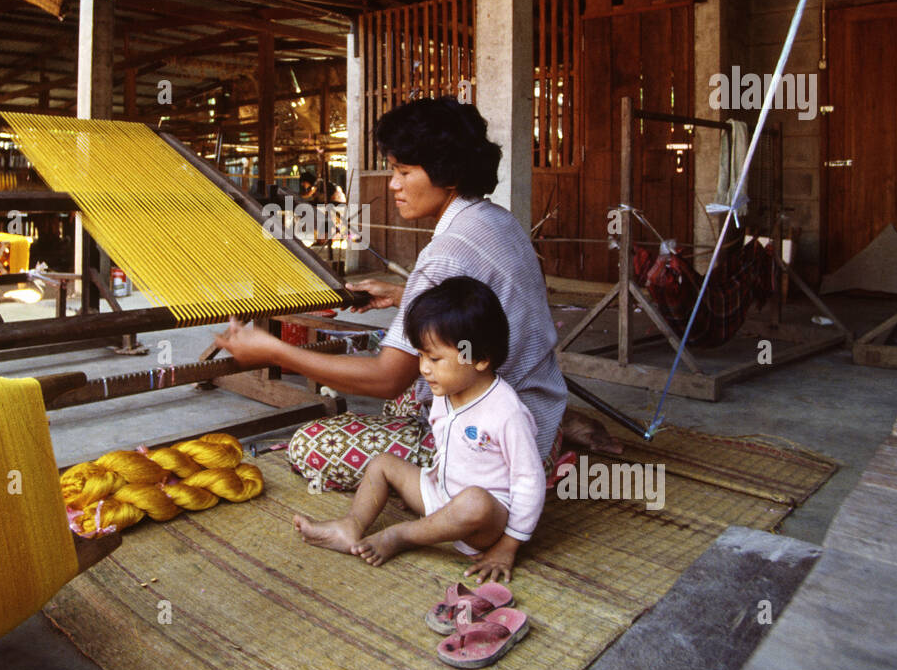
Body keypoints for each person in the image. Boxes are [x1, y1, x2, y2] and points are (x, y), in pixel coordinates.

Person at [214, 96, 614, 491]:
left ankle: (483, 484)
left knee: (311, 444)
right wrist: (406, 295)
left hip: (496, 448)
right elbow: (489, 305)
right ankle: (558, 427)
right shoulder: (498, 221)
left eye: (403, 172)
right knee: (411, 391)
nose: (393, 185)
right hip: (532, 405)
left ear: (447, 173)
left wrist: (274, 351)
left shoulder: (444, 254)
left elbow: (386, 377)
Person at [294, 277, 544, 583]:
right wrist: (432, 480)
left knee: (474, 500)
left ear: (480, 358)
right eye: (422, 356)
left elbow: (529, 480)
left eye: (435, 358)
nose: (424, 368)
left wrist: (508, 545)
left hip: (484, 522)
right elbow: (446, 446)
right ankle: (350, 525)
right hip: (442, 496)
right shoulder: (444, 392)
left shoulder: (507, 412)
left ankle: (401, 535)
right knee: (383, 464)